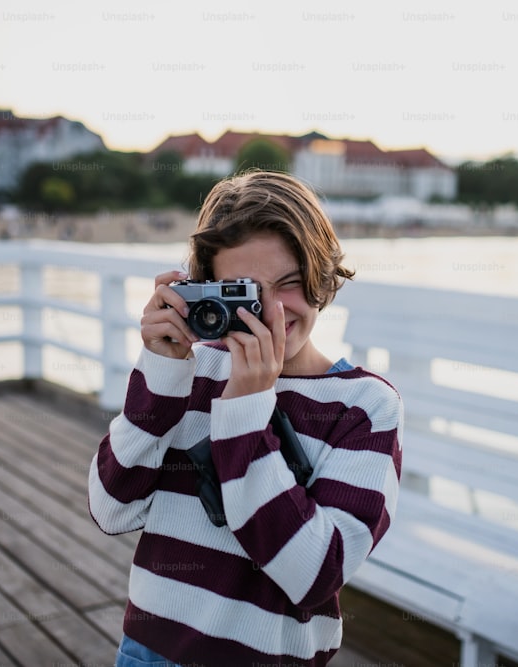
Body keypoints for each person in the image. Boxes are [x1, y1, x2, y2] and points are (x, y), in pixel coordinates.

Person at [88, 171, 403, 666]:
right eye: (245, 292)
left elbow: (315, 574)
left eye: (290, 283)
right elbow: (112, 509)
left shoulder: (364, 406)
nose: (271, 311)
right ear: (206, 290)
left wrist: (245, 409)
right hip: (149, 651)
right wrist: (162, 370)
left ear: (321, 274)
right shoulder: (191, 370)